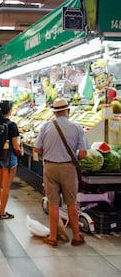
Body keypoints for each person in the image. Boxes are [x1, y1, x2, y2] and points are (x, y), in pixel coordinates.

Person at [34, 98, 87, 247]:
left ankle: (53, 237)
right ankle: (76, 237)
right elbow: (83, 154)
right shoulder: (77, 127)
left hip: (50, 167)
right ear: (68, 111)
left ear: (55, 113)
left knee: (53, 205)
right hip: (68, 169)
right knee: (71, 204)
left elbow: (37, 149)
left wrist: (50, 152)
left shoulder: (46, 127)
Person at [0, 100, 20, 220]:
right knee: (6, 186)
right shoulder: (12, 125)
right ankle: (2, 212)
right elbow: (16, 146)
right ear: (9, 110)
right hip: (8, 157)